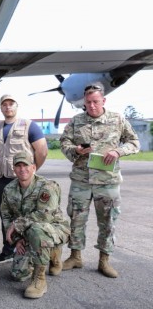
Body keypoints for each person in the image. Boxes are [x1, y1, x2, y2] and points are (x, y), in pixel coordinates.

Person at [60, 83, 139, 278]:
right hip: (81, 179)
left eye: (95, 101)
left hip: (107, 181)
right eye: (88, 102)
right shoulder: (76, 121)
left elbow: (134, 142)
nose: (92, 106)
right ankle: (75, 256)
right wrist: (75, 150)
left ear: (103, 100)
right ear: (84, 103)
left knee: (108, 221)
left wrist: (117, 151)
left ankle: (104, 260)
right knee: (76, 219)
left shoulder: (117, 119)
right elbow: (64, 142)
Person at [1, 152, 70, 299]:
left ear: (33, 167)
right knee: (18, 274)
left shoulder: (47, 186)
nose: (22, 169)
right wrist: (17, 239)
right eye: (18, 166)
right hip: (27, 234)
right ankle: (48, 253)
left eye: (25, 165)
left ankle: (40, 279)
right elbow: (6, 217)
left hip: (54, 229)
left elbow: (44, 215)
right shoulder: (9, 190)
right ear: (14, 169)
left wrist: (18, 225)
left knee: (36, 229)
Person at [0, 94, 48, 264]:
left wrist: (31, 171)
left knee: (27, 216)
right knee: (5, 217)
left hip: (22, 181)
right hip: (3, 180)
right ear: (1, 107)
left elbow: (42, 151)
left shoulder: (30, 126)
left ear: (16, 106)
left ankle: (30, 250)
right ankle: (8, 250)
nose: (8, 107)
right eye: (4, 104)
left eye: (11, 104)